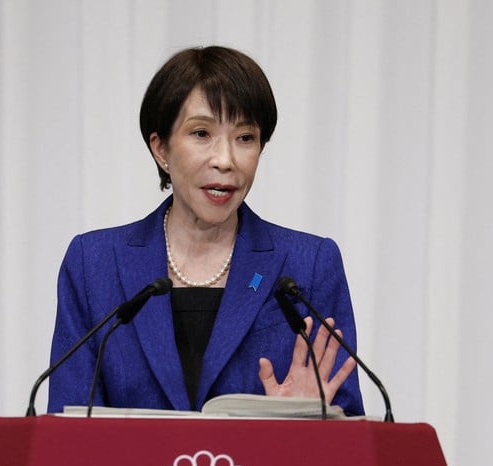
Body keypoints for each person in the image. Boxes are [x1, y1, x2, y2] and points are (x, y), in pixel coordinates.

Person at [47, 46, 364, 416]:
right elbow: (66, 425)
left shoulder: (308, 265)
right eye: (201, 133)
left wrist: (305, 419)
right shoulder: (93, 264)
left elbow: (348, 425)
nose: (225, 160)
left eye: (245, 137)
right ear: (160, 149)